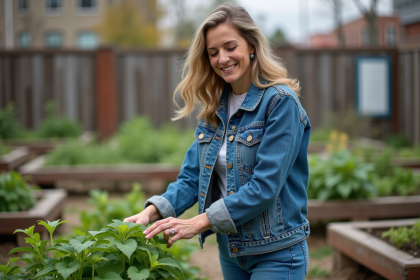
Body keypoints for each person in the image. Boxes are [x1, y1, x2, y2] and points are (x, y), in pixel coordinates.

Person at [124, 3, 311, 279]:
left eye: (230, 47)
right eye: (213, 52)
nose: (223, 58)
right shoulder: (215, 109)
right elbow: (192, 178)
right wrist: (151, 213)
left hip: (277, 252)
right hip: (231, 251)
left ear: (251, 45)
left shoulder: (280, 103)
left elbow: (265, 187)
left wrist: (199, 222)